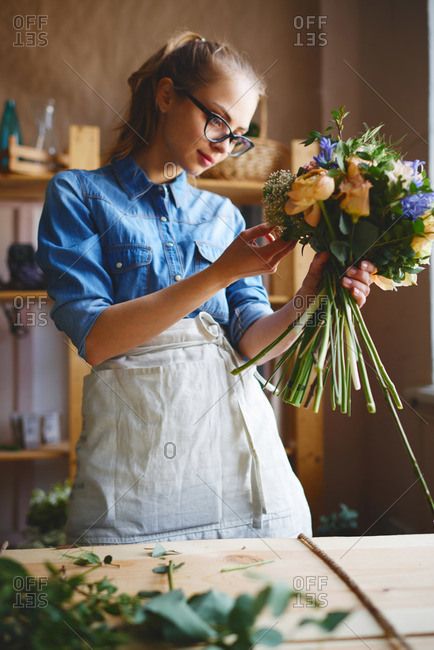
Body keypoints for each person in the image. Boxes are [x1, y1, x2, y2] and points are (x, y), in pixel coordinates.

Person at [36, 31, 375, 545]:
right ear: (167, 95)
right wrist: (221, 272)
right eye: (217, 121)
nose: (224, 146)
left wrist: (312, 292)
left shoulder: (222, 214)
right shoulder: (79, 196)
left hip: (240, 468)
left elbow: (252, 344)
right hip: (132, 477)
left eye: (238, 135)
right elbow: (99, 340)